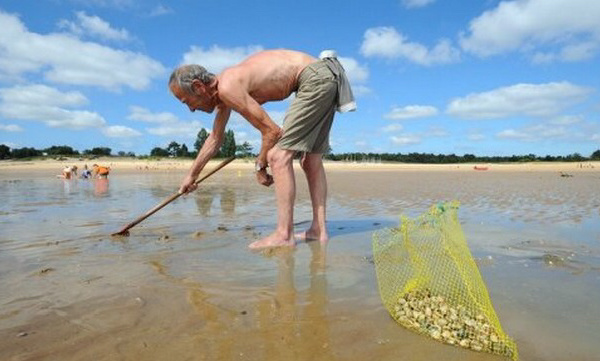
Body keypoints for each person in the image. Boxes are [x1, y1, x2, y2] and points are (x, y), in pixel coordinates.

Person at [169, 49, 355, 249]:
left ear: (198, 87)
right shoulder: (225, 93)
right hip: (325, 77)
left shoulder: (228, 86)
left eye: (187, 102)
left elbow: (272, 132)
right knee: (310, 161)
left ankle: (284, 235)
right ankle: (318, 230)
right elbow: (215, 138)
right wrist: (192, 175)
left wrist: (260, 166)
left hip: (315, 78)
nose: (191, 109)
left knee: (278, 157)